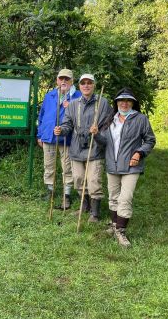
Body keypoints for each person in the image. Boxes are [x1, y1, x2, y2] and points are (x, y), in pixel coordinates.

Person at [90, 88, 156, 247]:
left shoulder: (140, 119)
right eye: (121, 100)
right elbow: (105, 142)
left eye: (128, 100)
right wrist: (96, 134)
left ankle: (121, 231)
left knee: (125, 199)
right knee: (113, 198)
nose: (124, 103)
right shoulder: (110, 119)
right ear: (117, 103)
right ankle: (114, 226)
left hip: (132, 165)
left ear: (133, 103)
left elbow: (150, 140)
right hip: (112, 164)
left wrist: (139, 153)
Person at [54, 74, 113, 222]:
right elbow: (67, 124)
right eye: (83, 83)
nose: (86, 85)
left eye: (89, 83)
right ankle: (84, 206)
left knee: (93, 180)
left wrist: (98, 134)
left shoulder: (103, 103)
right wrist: (61, 129)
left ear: (94, 85)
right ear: (79, 86)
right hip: (76, 147)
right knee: (78, 179)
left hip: (95, 147)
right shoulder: (73, 104)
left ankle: (95, 213)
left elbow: (108, 125)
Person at [37, 68, 81, 209]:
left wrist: (72, 107)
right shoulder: (50, 95)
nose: (63, 81)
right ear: (57, 80)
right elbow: (42, 116)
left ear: (71, 81)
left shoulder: (78, 96)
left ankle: (66, 195)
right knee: (48, 166)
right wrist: (39, 134)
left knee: (67, 167)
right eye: (61, 78)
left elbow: (83, 118)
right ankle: (50, 191)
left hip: (67, 139)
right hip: (48, 137)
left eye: (67, 79)